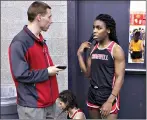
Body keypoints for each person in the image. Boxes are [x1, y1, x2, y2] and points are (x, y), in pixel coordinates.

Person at [8, 1, 65, 119]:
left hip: (48, 104)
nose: (51, 20)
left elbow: (38, 67)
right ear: (39, 17)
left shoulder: (40, 39)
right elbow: (21, 74)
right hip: (32, 107)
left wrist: (51, 69)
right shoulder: (20, 42)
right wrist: (47, 72)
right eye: (49, 17)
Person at [77, 14, 125, 119]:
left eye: (99, 28)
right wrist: (79, 54)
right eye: (94, 27)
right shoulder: (92, 49)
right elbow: (87, 74)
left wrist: (109, 101)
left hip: (109, 95)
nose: (95, 30)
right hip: (93, 94)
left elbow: (120, 77)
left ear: (108, 30)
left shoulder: (116, 49)